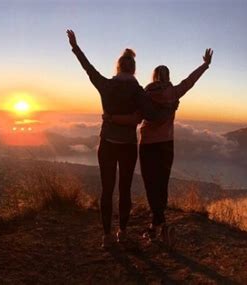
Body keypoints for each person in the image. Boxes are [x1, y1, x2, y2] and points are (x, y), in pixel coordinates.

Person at [66, 30, 175, 249]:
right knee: (124, 190)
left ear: (118, 67)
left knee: (107, 190)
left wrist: (75, 47)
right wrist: (170, 106)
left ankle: (106, 236)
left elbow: (88, 67)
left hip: (106, 143)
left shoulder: (106, 86)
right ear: (134, 69)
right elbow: (151, 115)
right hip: (128, 147)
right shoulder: (139, 92)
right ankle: (122, 232)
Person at [106, 48, 213, 246]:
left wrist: (113, 118)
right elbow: (190, 80)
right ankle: (157, 226)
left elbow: (138, 115)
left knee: (150, 185)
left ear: (154, 76)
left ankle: (159, 225)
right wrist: (205, 65)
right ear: (168, 76)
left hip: (147, 145)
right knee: (161, 186)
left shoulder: (146, 93)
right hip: (167, 145)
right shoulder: (174, 93)